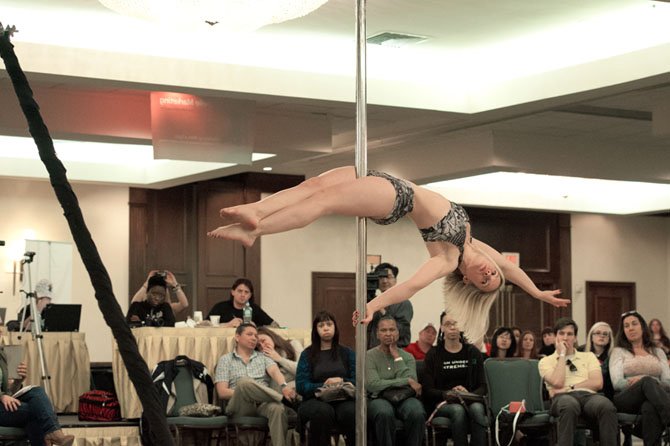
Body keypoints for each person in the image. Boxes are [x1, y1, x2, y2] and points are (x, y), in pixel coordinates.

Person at [207, 166, 569, 343]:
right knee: (314, 186)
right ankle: (257, 214)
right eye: (493, 275)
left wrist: (375, 306)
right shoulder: (472, 242)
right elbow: (510, 267)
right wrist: (536, 292)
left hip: (399, 198)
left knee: (323, 201)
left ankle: (258, 225)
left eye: (485, 280)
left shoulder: (446, 259)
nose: (491, 272)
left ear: (467, 279)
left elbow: (408, 288)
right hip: (391, 182)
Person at [538, 317, 618, 446]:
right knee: (569, 405)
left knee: (606, 406)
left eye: (569, 334)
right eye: (561, 333)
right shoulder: (545, 361)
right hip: (562, 398)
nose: (565, 337)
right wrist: (562, 355)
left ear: (575, 338)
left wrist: (570, 387)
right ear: (555, 336)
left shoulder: (588, 356)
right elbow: (558, 382)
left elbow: (597, 383)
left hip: (589, 396)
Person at [215, 323, 297, 446]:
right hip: (238, 405)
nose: (254, 338)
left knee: (277, 408)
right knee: (244, 383)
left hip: (262, 404)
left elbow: (275, 371)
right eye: (249, 334)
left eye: (255, 336)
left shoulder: (263, 357)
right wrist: (246, 393)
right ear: (237, 337)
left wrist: (284, 386)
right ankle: (281, 398)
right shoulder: (225, 360)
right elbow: (222, 392)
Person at [422, 312, 487, 446]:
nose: (452, 327)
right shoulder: (433, 355)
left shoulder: (473, 352)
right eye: (448, 324)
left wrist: (466, 394)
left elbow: (483, 386)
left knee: (477, 409)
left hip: (470, 399)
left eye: (456, 323)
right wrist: (447, 394)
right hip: (443, 402)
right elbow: (427, 390)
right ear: (442, 328)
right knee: (457, 410)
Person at [609, 311, 670, 446]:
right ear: (623, 330)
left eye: (634, 324)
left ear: (642, 326)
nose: (630, 328)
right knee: (647, 382)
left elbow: (668, 382)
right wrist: (644, 381)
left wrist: (649, 380)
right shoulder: (618, 351)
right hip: (627, 397)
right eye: (626, 326)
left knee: (649, 406)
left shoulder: (658, 351)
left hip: (655, 397)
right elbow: (617, 383)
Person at [296, 311, 356, 446]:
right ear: (316, 330)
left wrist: (341, 380)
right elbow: (301, 386)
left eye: (329, 324)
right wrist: (324, 385)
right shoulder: (307, 354)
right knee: (323, 412)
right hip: (314, 399)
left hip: (343, 397)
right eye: (321, 325)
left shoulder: (347, 353)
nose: (326, 328)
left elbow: (358, 381)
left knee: (351, 412)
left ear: (335, 327)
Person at [366, 316, 426, 446]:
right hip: (379, 398)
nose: (388, 333)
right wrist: (405, 381)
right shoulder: (369, 356)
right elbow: (373, 385)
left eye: (392, 329)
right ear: (377, 334)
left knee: (417, 412)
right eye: (384, 330)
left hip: (404, 397)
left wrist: (397, 357)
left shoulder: (407, 357)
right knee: (384, 413)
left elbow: (413, 384)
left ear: (398, 333)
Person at [0, 349, 74, 446]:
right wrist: (1, 396)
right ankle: (53, 432)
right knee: (37, 412)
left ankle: (54, 432)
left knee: (37, 392)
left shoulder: (2, 353)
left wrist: (17, 381)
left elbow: (8, 391)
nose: (1, 333)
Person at [367, 263, 413, 348]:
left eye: (388, 277)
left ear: (395, 280)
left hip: (394, 352)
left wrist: (383, 311)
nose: (384, 281)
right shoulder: (372, 302)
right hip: (373, 353)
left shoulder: (403, 302)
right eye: (380, 277)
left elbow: (403, 331)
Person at [207, 278, 278, 328]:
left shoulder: (254, 308)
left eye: (246, 292)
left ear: (250, 295)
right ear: (233, 292)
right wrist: (227, 325)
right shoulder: (220, 307)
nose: (243, 295)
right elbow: (203, 325)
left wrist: (256, 327)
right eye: (240, 291)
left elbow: (275, 326)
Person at [256, 326, 303, 393]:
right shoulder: (263, 357)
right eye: (259, 346)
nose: (263, 346)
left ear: (271, 336)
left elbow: (303, 370)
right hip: (278, 392)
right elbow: (268, 384)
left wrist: (279, 359)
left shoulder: (293, 344)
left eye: (263, 341)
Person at [584, 321, 615, 399]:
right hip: (583, 392)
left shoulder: (614, 355)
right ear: (591, 337)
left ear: (609, 339)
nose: (602, 336)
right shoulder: (581, 351)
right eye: (598, 333)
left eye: (605, 334)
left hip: (606, 395)